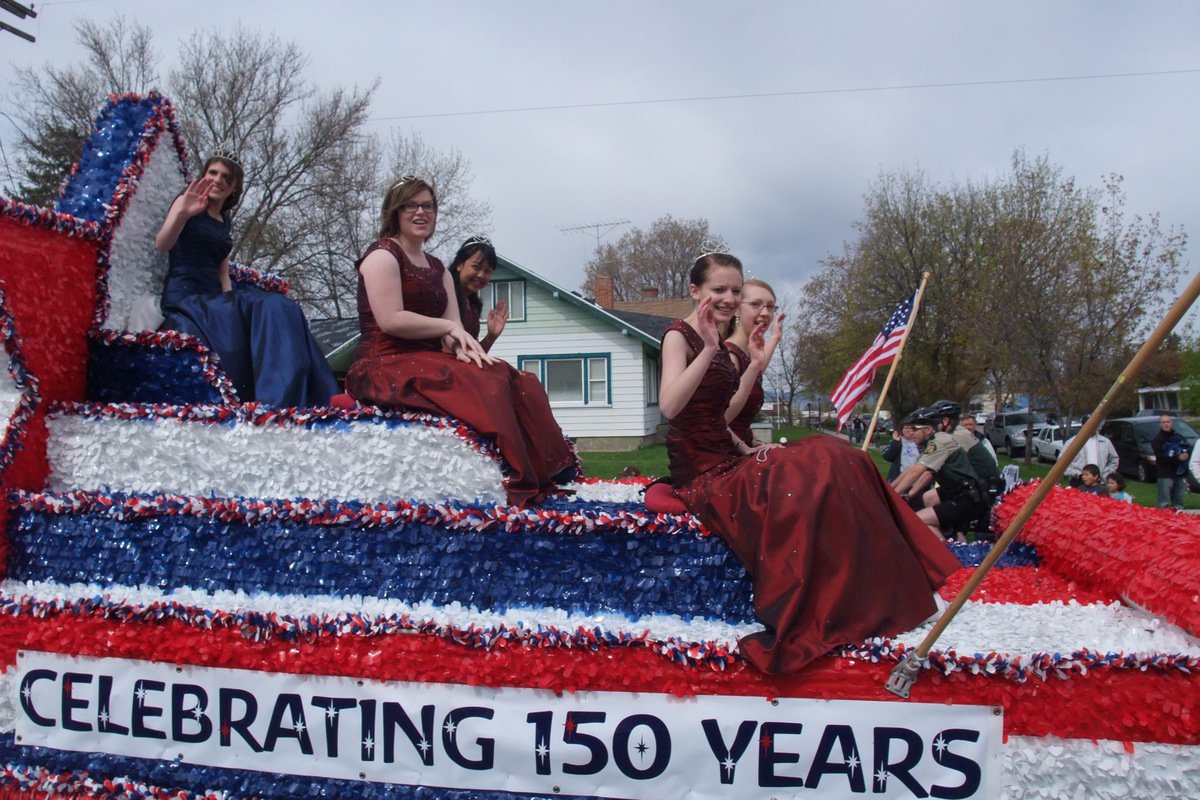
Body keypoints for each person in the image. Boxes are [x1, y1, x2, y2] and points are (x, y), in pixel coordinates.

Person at [660, 252, 959, 675]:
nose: (728, 298)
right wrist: (709, 350)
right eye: (719, 290)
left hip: (728, 457)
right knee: (809, 470)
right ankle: (837, 605)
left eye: (734, 291)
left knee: (838, 456)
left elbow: (717, 416)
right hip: (700, 475)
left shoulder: (724, 342)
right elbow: (672, 408)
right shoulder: (680, 336)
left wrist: (746, 438)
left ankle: (897, 588)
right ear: (695, 291)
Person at [344, 176, 575, 507]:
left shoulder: (438, 268)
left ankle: (551, 465)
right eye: (413, 205)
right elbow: (391, 319)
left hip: (426, 359)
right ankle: (516, 471)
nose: (422, 212)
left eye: (429, 206)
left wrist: (474, 349)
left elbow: (455, 331)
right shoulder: (383, 255)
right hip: (384, 362)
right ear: (396, 210)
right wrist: (448, 330)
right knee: (482, 384)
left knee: (508, 375)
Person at [155, 153, 338, 408]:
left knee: (279, 306)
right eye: (213, 173)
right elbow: (163, 244)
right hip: (186, 298)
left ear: (233, 188)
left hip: (214, 298)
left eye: (226, 178)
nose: (218, 180)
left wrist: (230, 299)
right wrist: (183, 213)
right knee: (230, 325)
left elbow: (223, 272)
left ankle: (294, 399)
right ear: (204, 175)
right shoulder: (185, 202)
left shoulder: (224, 221)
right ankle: (265, 404)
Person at [892, 407, 985, 542]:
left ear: (929, 429)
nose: (911, 433)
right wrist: (890, 488)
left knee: (917, 521)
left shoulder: (939, 443)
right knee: (928, 498)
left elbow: (916, 471)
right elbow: (912, 469)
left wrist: (892, 495)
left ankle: (947, 556)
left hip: (967, 498)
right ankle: (954, 539)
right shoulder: (934, 441)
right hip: (957, 493)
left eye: (915, 428)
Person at [724, 278, 784, 446]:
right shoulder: (729, 357)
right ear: (736, 309)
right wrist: (745, 447)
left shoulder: (747, 356)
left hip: (747, 446)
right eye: (756, 304)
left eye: (770, 307)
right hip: (727, 454)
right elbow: (717, 419)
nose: (765, 313)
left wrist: (775, 338)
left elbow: (757, 370)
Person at [448, 235, 508, 352]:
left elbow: (473, 354)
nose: (481, 275)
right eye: (476, 267)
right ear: (460, 264)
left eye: (487, 271)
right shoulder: (443, 295)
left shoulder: (473, 304)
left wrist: (491, 336)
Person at [1152, 414, 1190, 509]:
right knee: (1163, 502)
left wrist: (1186, 454)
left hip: (1179, 473)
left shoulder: (1178, 437)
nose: (1166, 424)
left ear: (1171, 423)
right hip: (1165, 474)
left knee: (1179, 500)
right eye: (1163, 422)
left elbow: (1187, 448)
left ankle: (1179, 518)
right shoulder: (1157, 440)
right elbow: (1161, 456)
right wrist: (1178, 457)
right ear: (1160, 424)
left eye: (1168, 422)